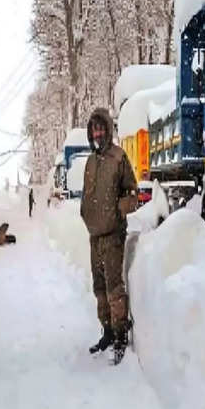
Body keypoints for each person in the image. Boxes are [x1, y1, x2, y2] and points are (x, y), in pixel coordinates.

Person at [80, 107, 138, 365]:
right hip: (95, 235)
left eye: (101, 128)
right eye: (94, 128)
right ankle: (106, 332)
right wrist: (85, 213)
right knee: (99, 287)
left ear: (108, 129)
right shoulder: (91, 161)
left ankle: (120, 337)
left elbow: (133, 193)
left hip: (113, 233)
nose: (98, 132)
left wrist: (118, 210)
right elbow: (87, 194)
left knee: (114, 288)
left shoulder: (118, 157)